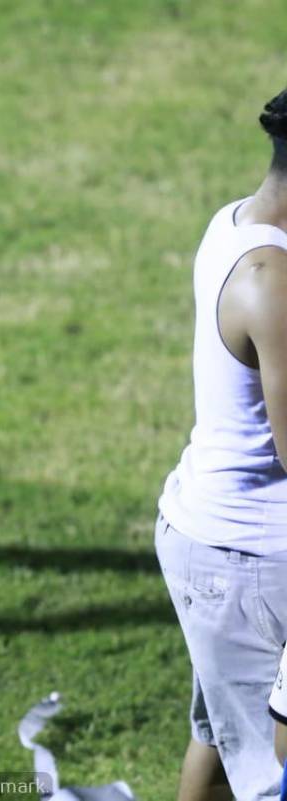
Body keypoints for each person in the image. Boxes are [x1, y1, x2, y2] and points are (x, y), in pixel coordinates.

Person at [156, 88, 287, 801]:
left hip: (214, 542)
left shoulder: (234, 220)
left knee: (217, 731)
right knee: (271, 775)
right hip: (251, 565)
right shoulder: (271, 280)